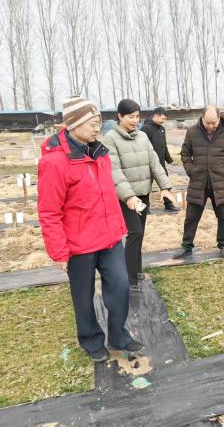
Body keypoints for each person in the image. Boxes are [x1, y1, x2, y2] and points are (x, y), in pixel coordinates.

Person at [37, 95, 143, 362]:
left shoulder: (100, 153)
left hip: (109, 238)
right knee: (83, 296)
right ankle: (91, 340)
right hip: (79, 244)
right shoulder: (55, 162)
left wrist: (119, 225)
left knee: (120, 286)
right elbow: (49, 211)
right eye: (92, 123)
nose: (98, 128)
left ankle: (118, 335)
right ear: (73, 124)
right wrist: (59, 251)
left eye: (99, 122)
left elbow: (107, 194)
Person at [103, 99, 174, 290]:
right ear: (120, 116)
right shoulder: (110, 138)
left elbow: (154, 162)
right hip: (126, 197)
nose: (135, 120)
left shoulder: (142, 136)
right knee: (134, 232)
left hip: (143, 194)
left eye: (137, 117)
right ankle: (129, 277)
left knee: (139, 233)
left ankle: (136, 270)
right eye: (131, 117)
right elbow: (114, 171)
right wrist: (128, 196)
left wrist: (165, 187)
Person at [173, 106, 224, 259]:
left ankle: (223, 245)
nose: (210, 126)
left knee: (223, 217)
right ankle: (186, 246)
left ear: (219, 118)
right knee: (191, 216)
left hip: (220, 182)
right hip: (198, 182)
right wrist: (191, 170)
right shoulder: (192, 132)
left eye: (213, 123)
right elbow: (185, 154)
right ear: (202, 117)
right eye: (207, 122)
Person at [140, 106, 179, 213]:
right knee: (146, 186)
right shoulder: (146, 128)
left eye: (165, 119)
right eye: (163, 118)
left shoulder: (162, 129)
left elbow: (163, 145)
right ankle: (144, 208)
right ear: (156, 115)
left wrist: (168, 159)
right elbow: (142, 146)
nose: (164, 121)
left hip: (160, 163)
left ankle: (168, 204)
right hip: (148, 163)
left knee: (165, 183)